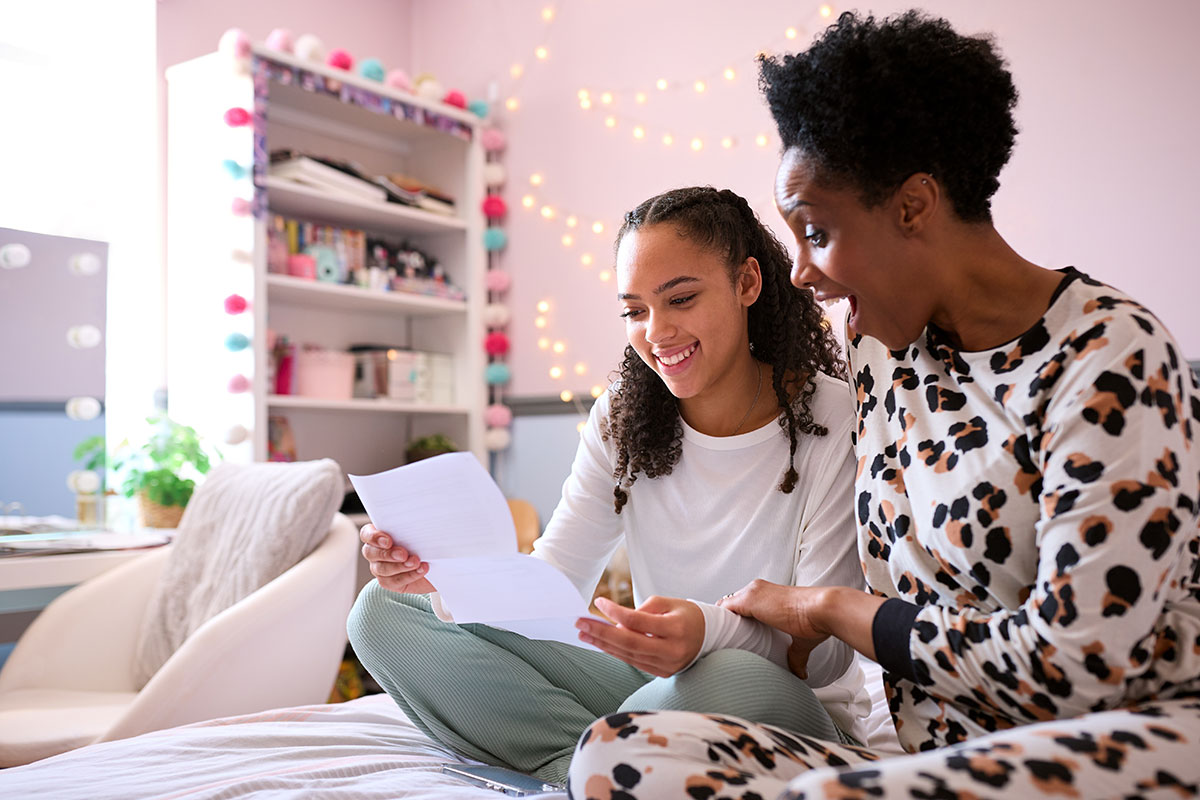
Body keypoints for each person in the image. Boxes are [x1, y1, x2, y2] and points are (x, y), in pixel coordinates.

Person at [568, 11, 1200, 799]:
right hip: (921, 756)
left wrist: (833, 609)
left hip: (1120, 735)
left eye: (816, 232)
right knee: (615, 756)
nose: (800, 273)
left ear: (913, 207)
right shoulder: (886, 359)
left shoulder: (1111, 359)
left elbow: (1080, 665)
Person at [347, 186, 873, 786]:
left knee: (724, 672)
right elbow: (556, 583)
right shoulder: (622, 419)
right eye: (634, 311)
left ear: (747, 283)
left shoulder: (834, 419)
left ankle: (611, 753)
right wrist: (447, 582)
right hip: (660, 685)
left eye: (680, 298)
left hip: (781, 701)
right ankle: (590, 765)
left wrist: (708, 629)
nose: (657, 331)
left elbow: (827, 651)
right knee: (381, 612)